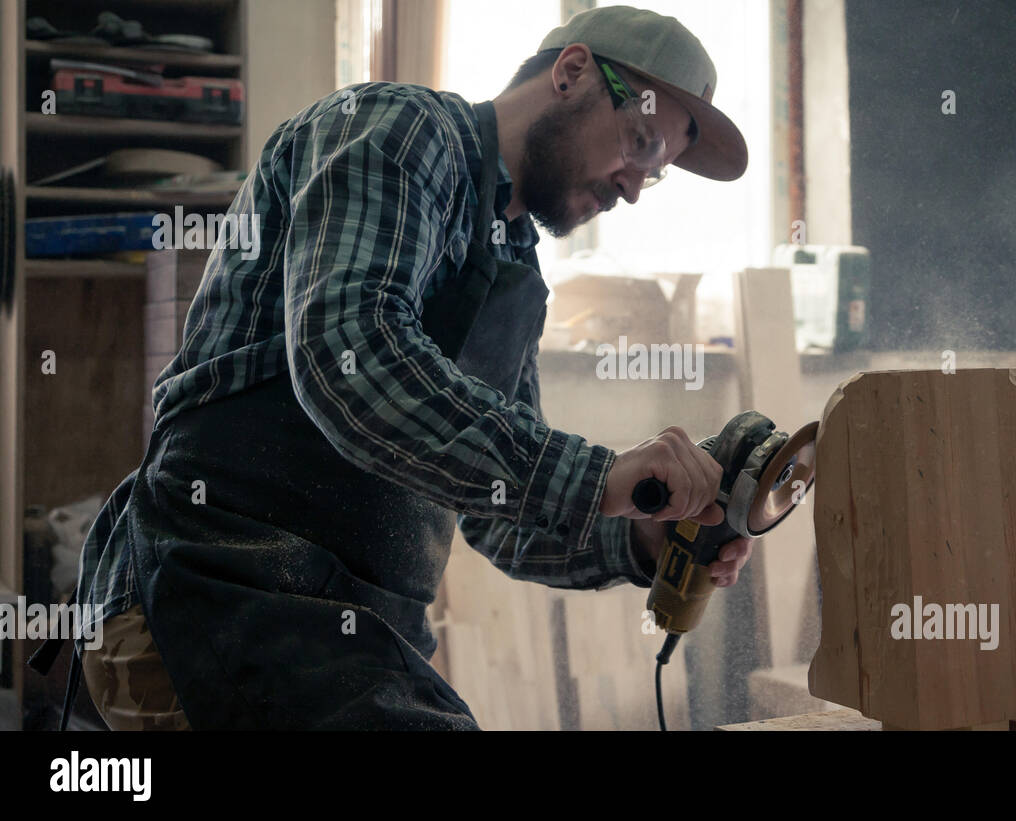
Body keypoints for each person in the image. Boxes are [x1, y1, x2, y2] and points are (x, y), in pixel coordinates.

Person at [71, 5, 753, 729]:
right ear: (572, 71)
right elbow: (351, 358)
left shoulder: (516, 272)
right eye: (640, 142)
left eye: (658, 174)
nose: (633, 188)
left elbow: (498, 514)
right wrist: (595, 475)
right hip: (211, 586)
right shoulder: (395, 130)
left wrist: (639, 530)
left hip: (350, 636)